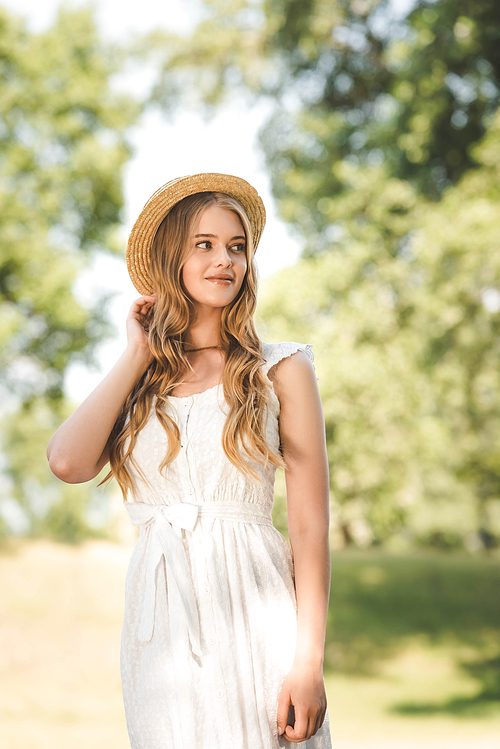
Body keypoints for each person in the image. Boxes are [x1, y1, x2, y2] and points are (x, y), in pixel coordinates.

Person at [47, 173, 332, 749]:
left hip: (255, 607)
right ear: (172, 258)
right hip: (160, 623)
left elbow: (308, 526)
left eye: (236, 247)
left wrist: (308, 662)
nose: (224, 260)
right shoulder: (139, 378)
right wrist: (136, 351)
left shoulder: (282, 369)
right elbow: (67, 463)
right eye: (204, 244)